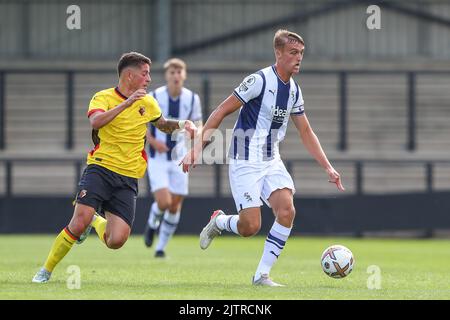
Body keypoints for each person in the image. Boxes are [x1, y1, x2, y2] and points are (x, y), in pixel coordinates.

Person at [181, 30, 345, 287]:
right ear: (278, 54)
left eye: (301, 53)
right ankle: (220, 221)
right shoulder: (258, 80)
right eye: (293, 53)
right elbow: (221, 110)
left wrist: (328, 167)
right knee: (250, 227)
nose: (298, 58)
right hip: (245, 157)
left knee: (287, 210)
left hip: (271, 158)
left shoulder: (293, 90)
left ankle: (262, 275)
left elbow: (305, 131)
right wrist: (197, 149)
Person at [32, 52, 197, 283]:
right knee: (78, 223)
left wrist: (182, 124)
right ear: (129, 76)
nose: (149, 79)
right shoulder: (103, 97)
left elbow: (161, 124)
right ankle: (46, 270)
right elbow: (96, 121)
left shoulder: (148, 102)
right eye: (145, 73)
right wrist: (128, 102)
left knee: (116, 240)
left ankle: (95, 221)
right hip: (100, 169)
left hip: (128, 177)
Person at [143, 58, 203, 258]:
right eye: (172, 72)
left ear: (184, 75)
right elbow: (141, 124)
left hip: (179, 156)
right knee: (164, 201)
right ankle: (152, 224)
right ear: (166, 76)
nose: (176, 75)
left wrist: (197, 135)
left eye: (179, 72)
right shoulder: (154, 96)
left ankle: (160, 248)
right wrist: (152, 141)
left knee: (175, 204)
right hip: (157, 157)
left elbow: (199, 123)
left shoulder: (192, 98)